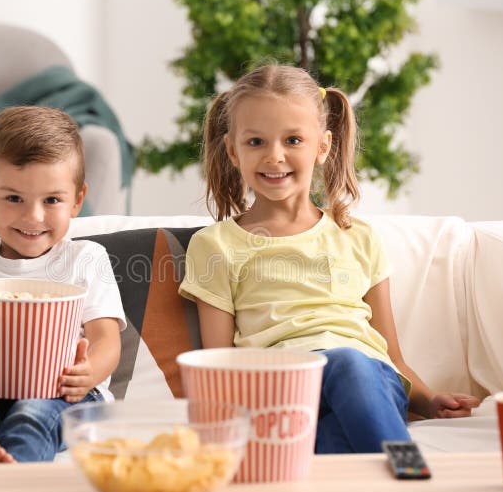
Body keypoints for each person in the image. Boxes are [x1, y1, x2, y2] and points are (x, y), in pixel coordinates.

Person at [178, 64, 480, 454]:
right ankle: (407, 479)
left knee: (351, 365)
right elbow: (218, 365)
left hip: (370, 379)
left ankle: (403, 476)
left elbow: (391, 354)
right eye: (256, 142)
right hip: (281, 389)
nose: (274, 156)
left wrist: (427, 399)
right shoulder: (216, 245)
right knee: (330, 427)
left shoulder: (357, 237)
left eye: (292, 140)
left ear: (322, 147)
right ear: (232, 151)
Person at [0, 106, 125, 464]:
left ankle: (11, 481)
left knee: (31, 415)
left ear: (77, 200)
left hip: (64, 394)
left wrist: (88, 373)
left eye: (52, 200)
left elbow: (106, 341)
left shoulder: (85, 258)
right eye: (14, 198)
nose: (33, 216)